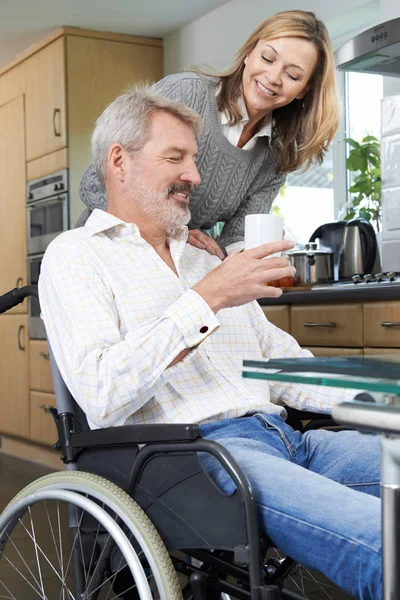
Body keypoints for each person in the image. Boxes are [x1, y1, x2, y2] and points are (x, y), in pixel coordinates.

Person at [39, 86, 381, 600]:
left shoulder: (205, 258)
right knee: (380, 538)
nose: (195, 177)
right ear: (119, 161)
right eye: (174, 157)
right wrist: (207, 299)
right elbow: (103, 392)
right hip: (195, 461)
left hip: (289, 442)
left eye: (194, 160)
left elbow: (280, 363)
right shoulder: (76, 257)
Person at [78, 9, 339, 257]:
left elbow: (234, 242)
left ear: (304, 90)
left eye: (293, 75)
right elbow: (93, 184)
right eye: (268, 59)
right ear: (249, 52)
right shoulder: (184, 94)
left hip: (175, 266)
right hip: (105, 249)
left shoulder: (274, 157)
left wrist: (252, 252)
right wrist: (174, 234)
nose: (272, 77)